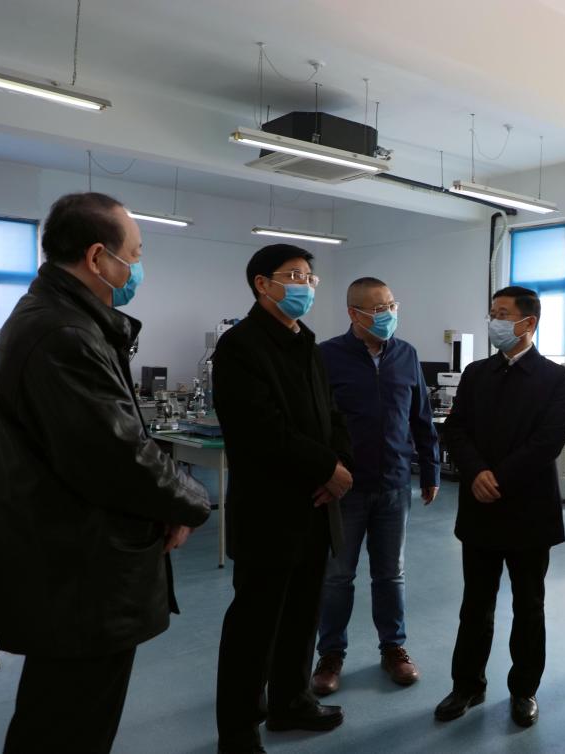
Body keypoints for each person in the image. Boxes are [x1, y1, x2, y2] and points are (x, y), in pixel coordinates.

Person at [0, 192, 211, 754]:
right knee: (69, 726)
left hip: (72, 565)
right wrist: (192, 500)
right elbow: (119, 457)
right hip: (81, 573)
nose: (137, 266)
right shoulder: (63, 334)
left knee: (57, 717)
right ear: (96, 257)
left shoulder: (60, 320)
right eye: (135, 253)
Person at [213, 244, 355, 754]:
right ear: (262, 283)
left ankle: (291, 702)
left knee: (302, 614)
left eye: (310, 278)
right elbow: (260, 430)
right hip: (269, 511)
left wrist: (340, 465)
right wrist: (326, 469)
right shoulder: (239, 346)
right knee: (256, 624)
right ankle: (238, 730)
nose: (306, 285)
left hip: (315, 507)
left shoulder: (307, 344)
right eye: (294, 276)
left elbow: (331, 414)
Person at [435, 285, 565, 728]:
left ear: (528, 322)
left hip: (529, 510)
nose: (494, 321)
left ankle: (524, 689)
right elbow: (456, 429)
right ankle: (467, 685)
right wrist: (476, 472)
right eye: (492, 312)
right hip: (480, 509)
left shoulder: (554, 378)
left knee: (529, 606)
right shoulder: (477, 373)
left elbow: (548, 441)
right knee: (475, 604)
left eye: (502, 313)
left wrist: (500, 478)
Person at [311, 277, 440, 695]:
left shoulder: (407, 354)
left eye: (391, 305)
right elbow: (314, 423)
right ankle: (331, 655)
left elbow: (421, 417)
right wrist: (324, 471)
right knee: (337, 577)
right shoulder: (326, 356)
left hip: (394, 484)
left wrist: (431, 471)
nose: (388, 315)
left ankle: (393, 648)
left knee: (391, 575)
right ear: (354, 313)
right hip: (344, 488)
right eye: (378, 308)